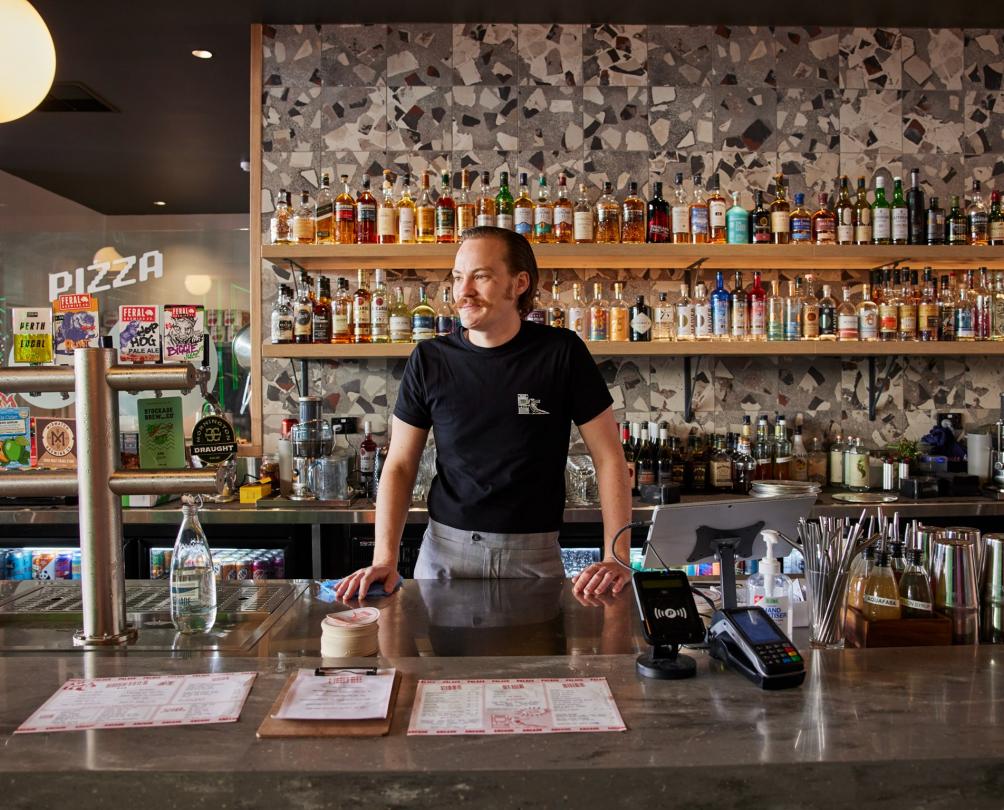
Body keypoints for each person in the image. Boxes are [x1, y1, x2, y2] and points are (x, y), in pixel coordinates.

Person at [334, 225, 632, 600]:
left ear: (519, 283)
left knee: (540, 661)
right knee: (441, 662)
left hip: (535, 558)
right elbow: (398, 465)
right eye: (458, 277)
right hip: (445, 555)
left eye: (481, 277)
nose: (464, 292)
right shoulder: (430, 359)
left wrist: (618, 556)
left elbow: (609, 458)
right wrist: (384, 558)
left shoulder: (562, 353)